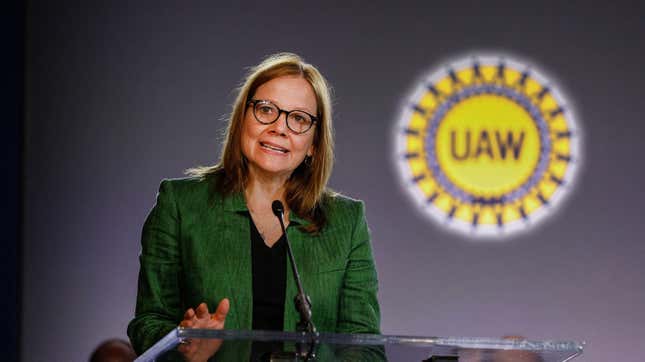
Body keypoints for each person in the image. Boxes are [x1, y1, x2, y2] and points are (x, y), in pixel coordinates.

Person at [127, 53, 381, 361]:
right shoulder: (180, 205)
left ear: (314, 143)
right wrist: (185, 345)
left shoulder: (347, 222)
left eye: (299, 119)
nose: (279, 127)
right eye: (266, 110)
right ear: (242, 119)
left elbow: (364, 346)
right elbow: (148, 322)